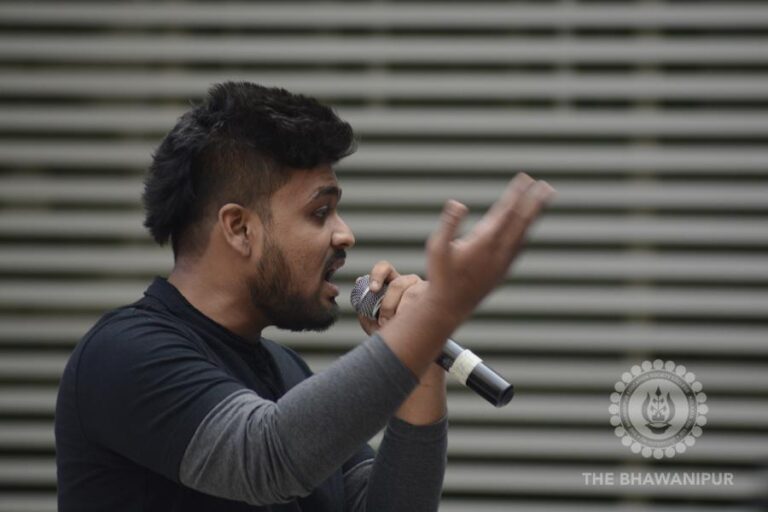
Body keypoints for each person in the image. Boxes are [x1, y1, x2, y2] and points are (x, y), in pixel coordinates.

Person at [54, 82, 555, 511]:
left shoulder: (285, 370)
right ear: (239, 228)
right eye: (320, 213)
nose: (345, 234)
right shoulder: (123, 354)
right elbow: (265, 458)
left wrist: (422, 367)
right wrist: (437, 315)